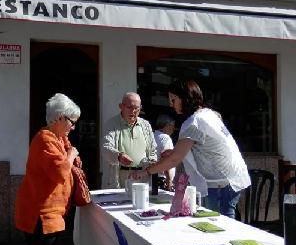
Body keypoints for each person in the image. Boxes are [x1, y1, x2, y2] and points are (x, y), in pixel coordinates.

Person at [134, 80, 250, 218]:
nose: (171, 104)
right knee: (219, 225)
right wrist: (176, 152)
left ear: (185, 98)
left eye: (173, 99)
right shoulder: (208, 114)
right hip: (230, 179)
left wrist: (146, 171)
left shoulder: (193, 122)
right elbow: (202, 146)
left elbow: (175, 159)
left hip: (220, 183)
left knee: (219, 228)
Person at [15, 93, 81, 245]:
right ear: (59, 118)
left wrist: (71, 153)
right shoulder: (45, 140)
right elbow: (60, 172)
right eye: (71, 121)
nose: (73, 126)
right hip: (39, 215)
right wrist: (72, 156)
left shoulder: (58, 139)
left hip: (51, 215)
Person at [102, 92, 157, 190]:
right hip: (120, 177)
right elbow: (105, 147)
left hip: (142, 177)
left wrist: (150, 166)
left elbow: (153, 150)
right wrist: (119, 156)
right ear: (121, 106)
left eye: (137, 108)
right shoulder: (112, 124)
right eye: (130, 107)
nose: (133, 111)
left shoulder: (146, 125)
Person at [153, 114, 176, 191]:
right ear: (167, 125)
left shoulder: (153, 135)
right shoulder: (165, 138)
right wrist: (169, 180)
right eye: (173, 125)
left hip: (152, 177)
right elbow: (166, 158)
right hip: (162, 180)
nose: (173, 129)